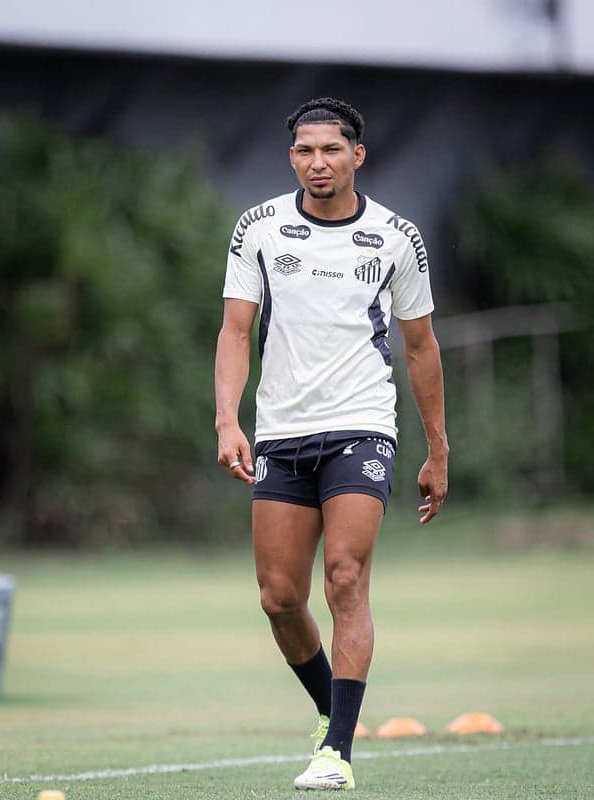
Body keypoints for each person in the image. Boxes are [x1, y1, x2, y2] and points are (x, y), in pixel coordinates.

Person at [214, 97, 448, 791]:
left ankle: (337, 753)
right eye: (304, 151)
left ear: (358, 156)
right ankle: (332, 712)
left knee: (344, 576)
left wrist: (438, 449)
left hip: (361, 424)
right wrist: (229, 419)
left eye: (331, 150)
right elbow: (234, 332)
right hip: (281, 433)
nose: (318, 163)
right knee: (279, 597)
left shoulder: (396, 237)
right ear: (293, 158)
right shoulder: (258, 229)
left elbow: (420, 345)